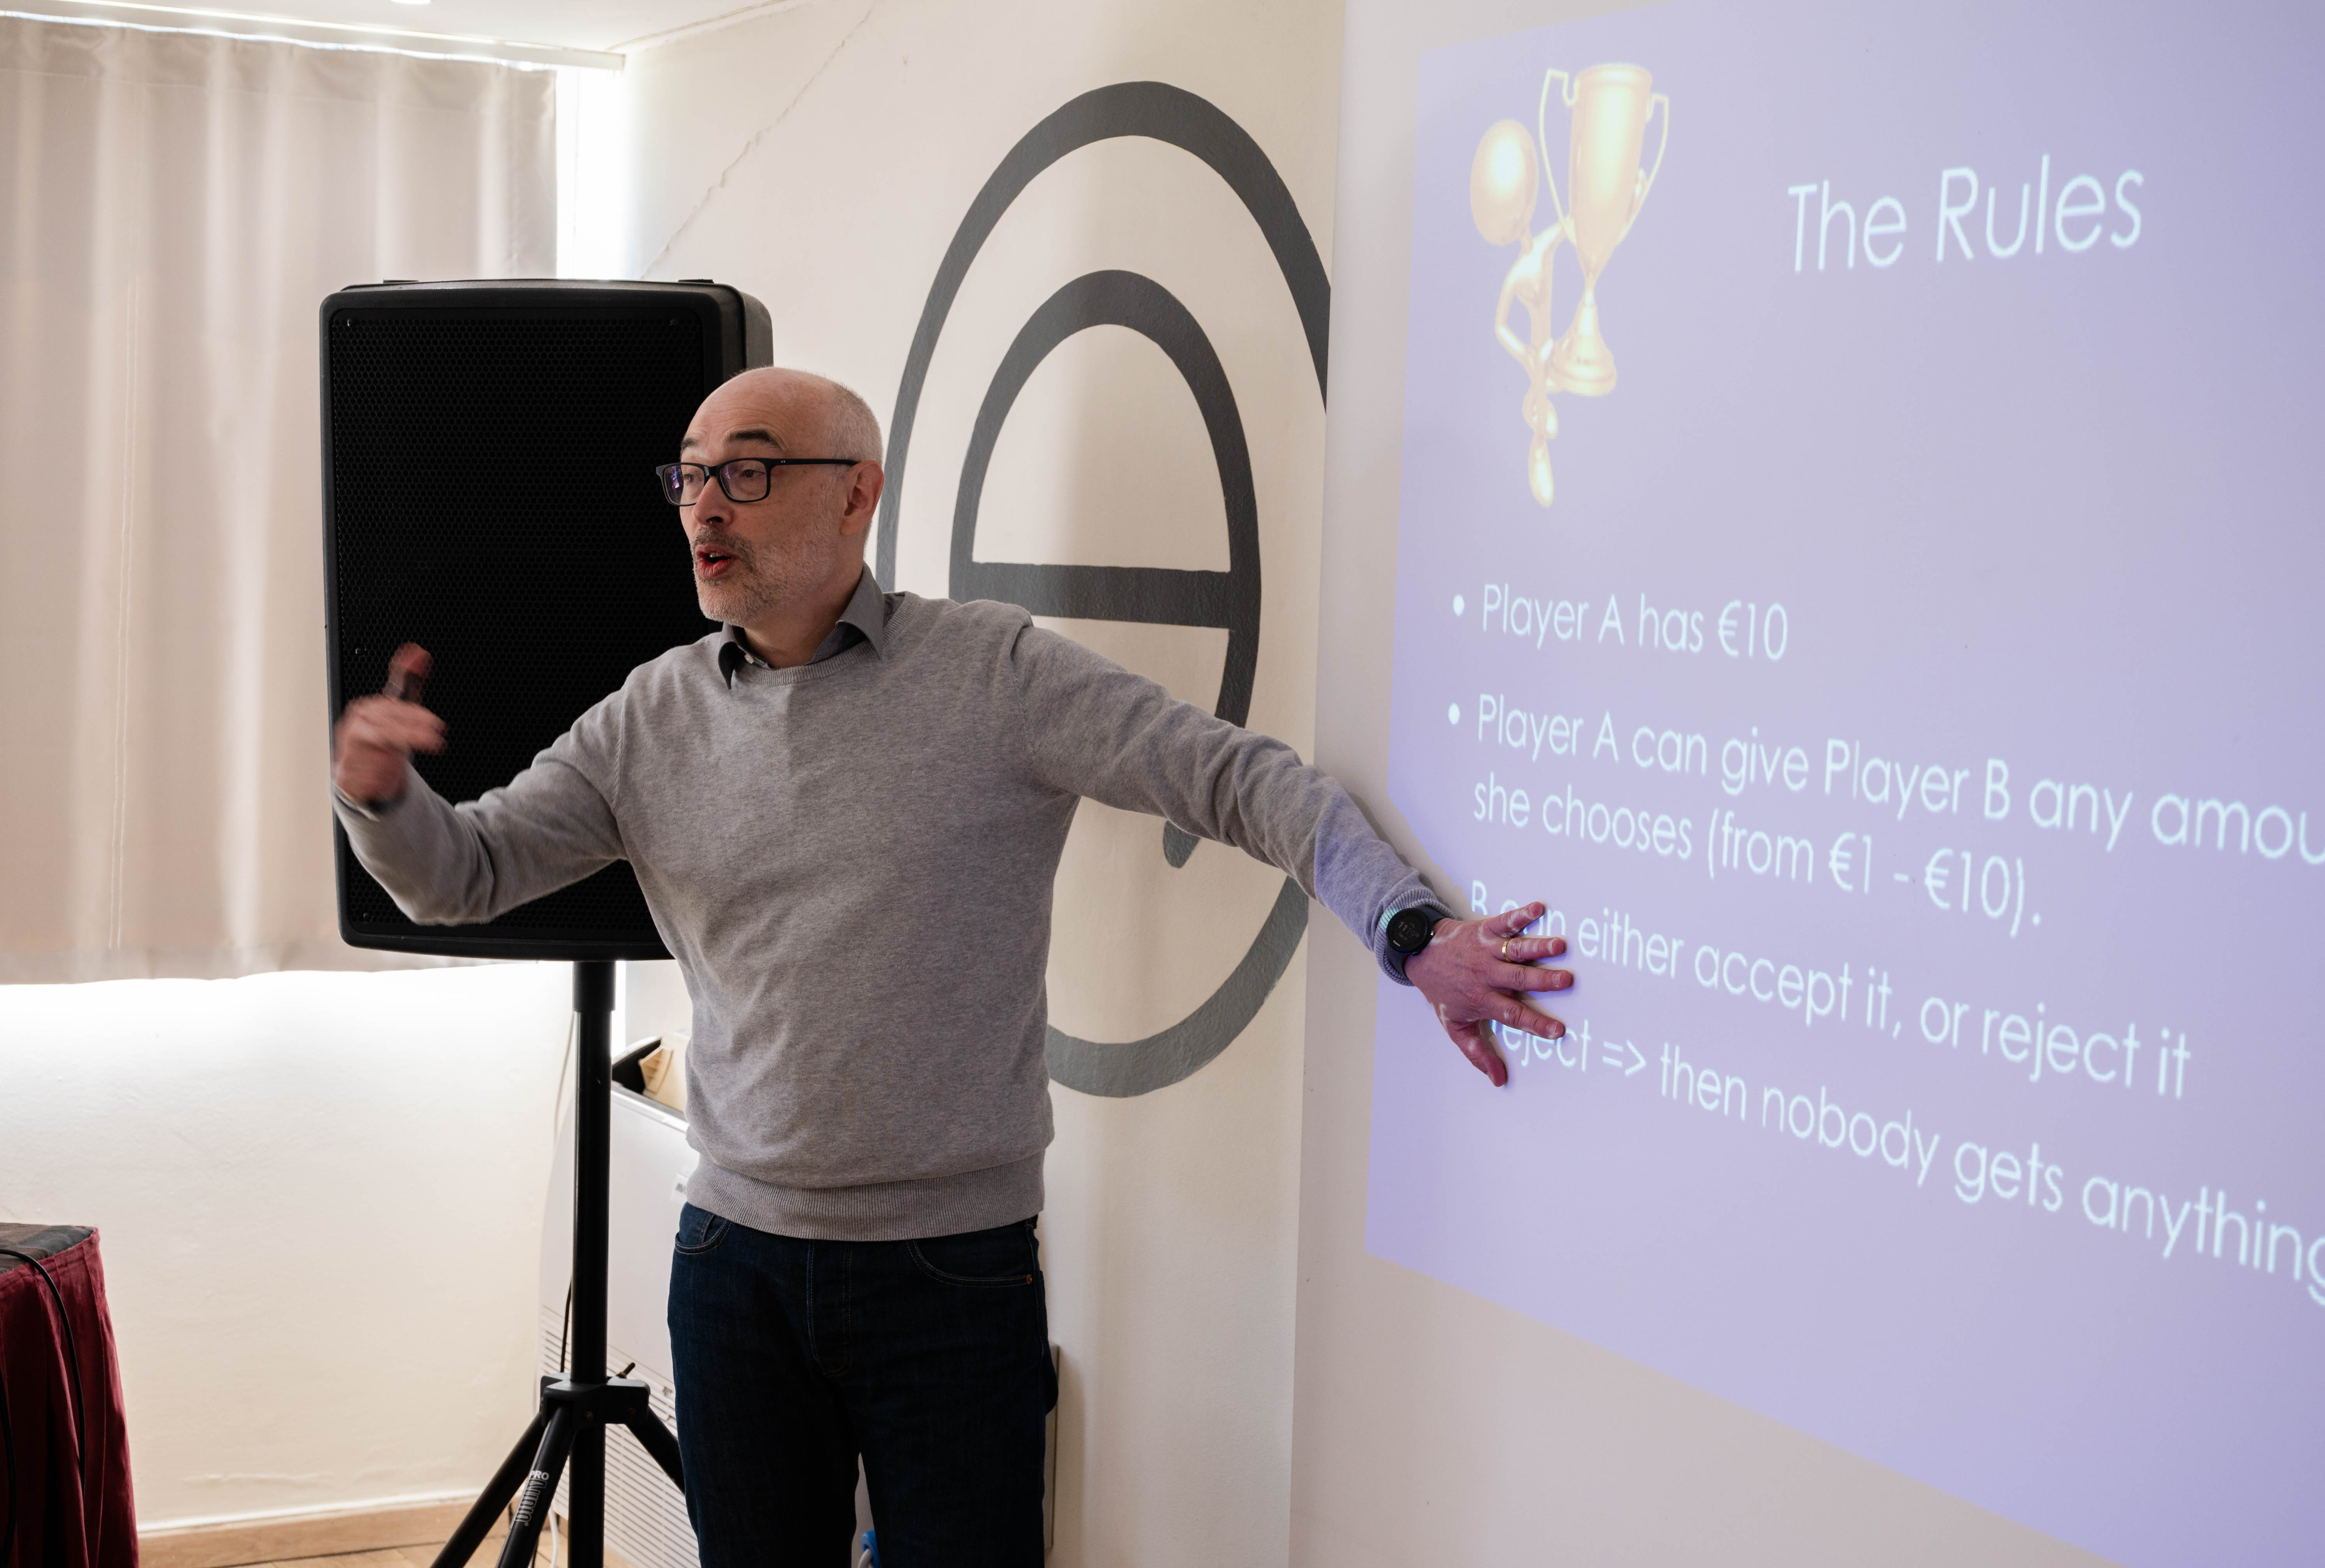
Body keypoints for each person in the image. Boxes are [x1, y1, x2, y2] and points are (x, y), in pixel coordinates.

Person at [330, 367, 1573, 1567]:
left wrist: (1412, 934)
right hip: (732, 1265)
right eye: (691, 477)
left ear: (857, 494)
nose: (705, 507)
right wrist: (383, 799)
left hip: (950, 1275)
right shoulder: (650, 717)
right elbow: (468, 875)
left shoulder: (993, 674)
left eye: (748, 475)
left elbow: (1241, 780)